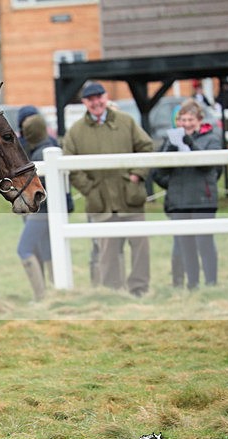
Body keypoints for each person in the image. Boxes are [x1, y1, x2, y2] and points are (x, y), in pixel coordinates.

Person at [62, 82, 154, 297]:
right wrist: (90, 190)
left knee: (141, 247)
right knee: (107, 251)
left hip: (129, 198)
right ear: (84, 102)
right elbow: (70, 166)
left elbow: (146, 147)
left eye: (99, 97)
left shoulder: (126, 122)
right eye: (90, 99)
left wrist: (136, 175)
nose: (96, 102)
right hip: (101, 203)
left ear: (105, 97)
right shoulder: (75, 131)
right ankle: (112, 292)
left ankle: (139, 289)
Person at [152, 99, 221, 290]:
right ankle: (192, 284)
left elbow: (210, 166)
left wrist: (190, 144)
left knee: (205, 244)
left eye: (190, 119)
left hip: (202, 200)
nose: (186, 124)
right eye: (182, 120)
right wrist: (171, 152)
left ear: (199, 120)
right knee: (186, 246)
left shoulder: (211, 139)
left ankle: (211, 282)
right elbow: (158, 172)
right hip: (179, 201)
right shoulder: (169, 140)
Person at [17, 112, 58, 300]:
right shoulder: (50, 147)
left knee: (24, 249)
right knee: (48, 250)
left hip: (41, 213)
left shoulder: (40, 155)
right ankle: (55, 291)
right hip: (50, 212)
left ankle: (40, 296)